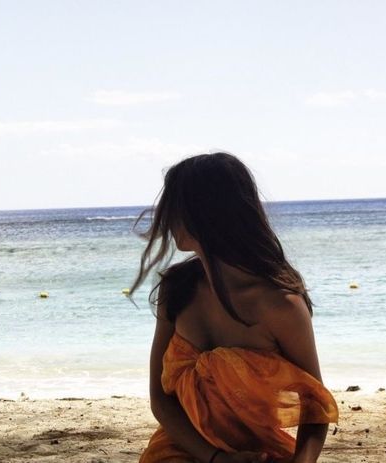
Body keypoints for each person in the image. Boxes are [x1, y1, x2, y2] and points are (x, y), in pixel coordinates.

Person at [128, 152, 339, 463]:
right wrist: (214, 458)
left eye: (174, 206)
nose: (167, 217)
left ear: (202, 213)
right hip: (182, 449)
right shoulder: (177, 289)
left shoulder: (281, 306)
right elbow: (160, 400)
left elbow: (315, 407)